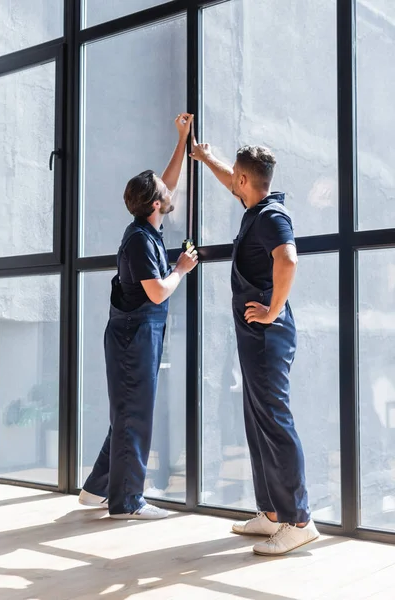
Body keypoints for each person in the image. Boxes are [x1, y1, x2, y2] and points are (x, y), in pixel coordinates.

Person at [190, 140, 319, 555]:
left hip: (267, 336)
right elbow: (232, 178)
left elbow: (289, 259)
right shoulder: (257, 207)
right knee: (257, 420)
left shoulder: (270, 216)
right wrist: (206, 157)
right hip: (256, 338)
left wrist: (272, 311)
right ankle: (272, 513)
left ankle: (299, 520)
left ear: (246, 180)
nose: (232, 183)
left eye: (235, 178)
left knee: (275, 423)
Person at [78, 113, 198, 520]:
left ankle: (97, 488)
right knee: (135, 414)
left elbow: (169, 181)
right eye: (164, 193)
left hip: (133, 333)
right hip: (134, 337)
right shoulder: (141, 242)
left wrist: (181, 140)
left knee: (126, 412)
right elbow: (158, 290)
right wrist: (181, 267)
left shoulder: (146, 227)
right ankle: (127, 502)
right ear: (155, 205)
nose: (170, 192)